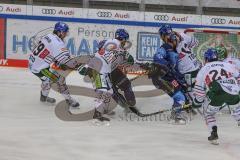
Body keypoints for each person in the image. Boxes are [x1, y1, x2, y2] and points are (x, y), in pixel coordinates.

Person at [80, 29, 134, 122]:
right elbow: (129, 58)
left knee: (106, 91)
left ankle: (101, 110)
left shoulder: (110, 48)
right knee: (106, 91)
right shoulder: (114, 44)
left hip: (100, 72)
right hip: (98, 72)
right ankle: (98, 113)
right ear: (123, 38)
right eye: (125, 39)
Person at [192, 48, 240, 145]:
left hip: (217, 93)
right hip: (234, 92)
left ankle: (213, 132)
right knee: (237, 111)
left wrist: (196, 103)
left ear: (206, 59)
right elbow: (238, 78)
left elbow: (199, 92)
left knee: (208, 113)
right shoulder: (228, 65)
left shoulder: (203, 69)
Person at [145, 24, 189, 124]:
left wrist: (181, 80)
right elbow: (157, 58)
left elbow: (175, 69)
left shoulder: (175, 49)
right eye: (171, 37)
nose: (175, 40)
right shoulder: (164, 48)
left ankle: (175, 113)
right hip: (161, 78)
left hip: (169, 78)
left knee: (182, 94)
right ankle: (177, 116)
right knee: (180, 96)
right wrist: (166, 65)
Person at [29, 22, 79, 108]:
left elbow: (37, 42)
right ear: (59, 32)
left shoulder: (48, 35)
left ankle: (43, 97)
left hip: (33, 63)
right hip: (40, 68)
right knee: (59, 79)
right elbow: (65, 61)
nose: (65, 35)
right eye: (64, 33)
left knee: (47, 80)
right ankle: (69, 100)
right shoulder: (58, 43)